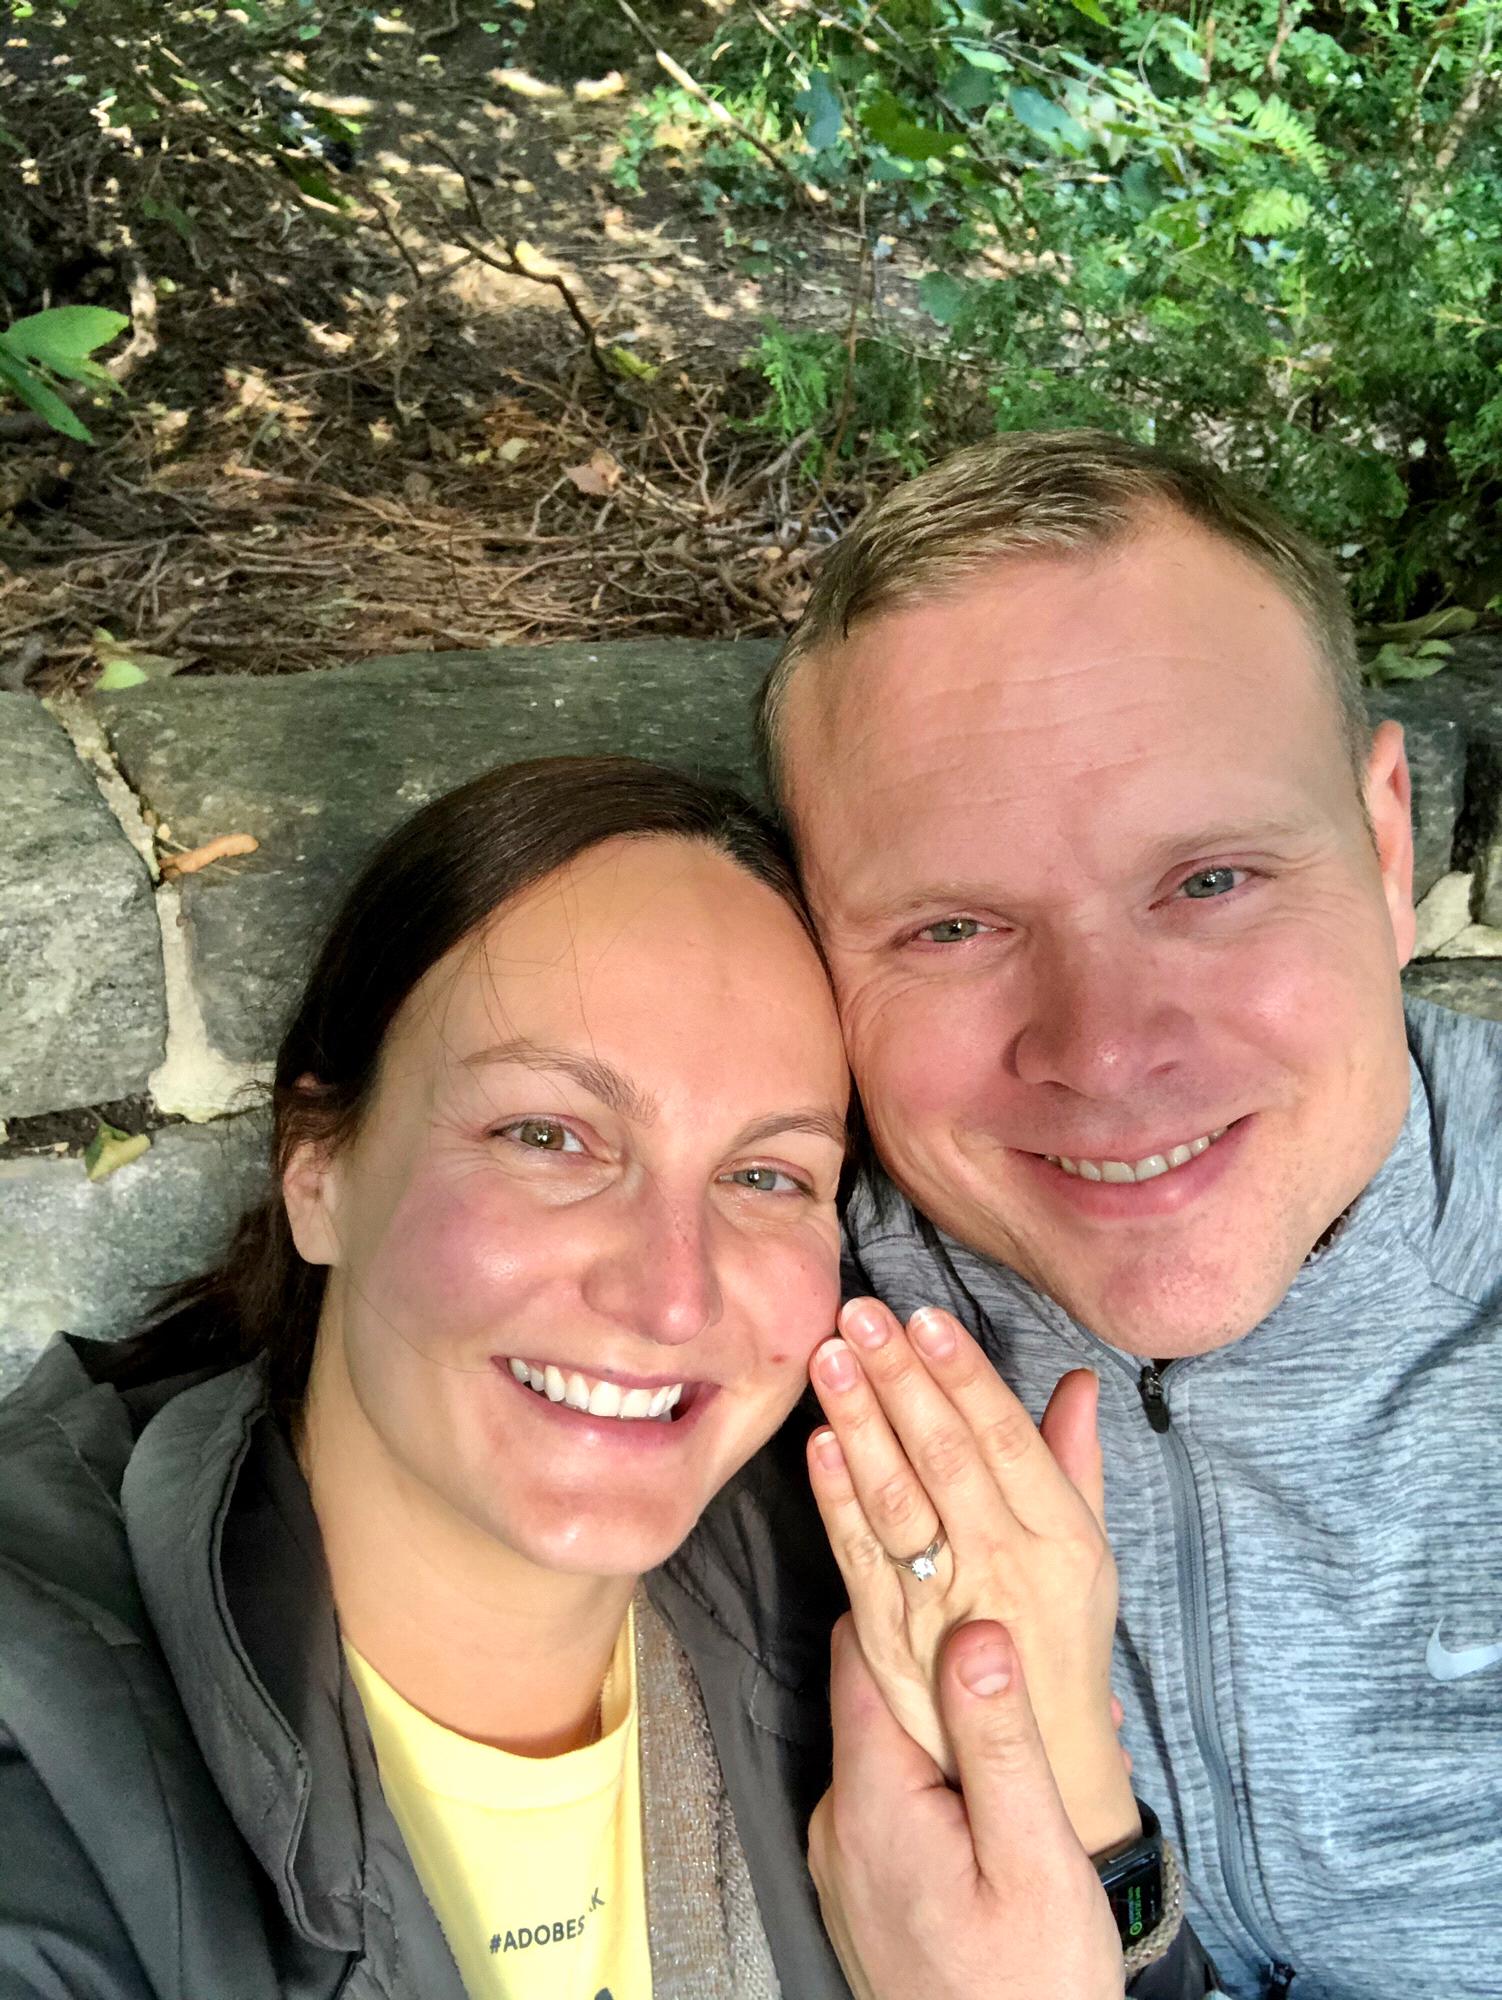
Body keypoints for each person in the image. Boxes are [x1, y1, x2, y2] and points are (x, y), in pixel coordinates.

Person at [0, 753, 1201, 2000]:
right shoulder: (50, 1757)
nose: (671, 1292)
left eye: (766, 1174)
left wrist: (1063, 1794)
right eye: (549, 1135)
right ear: (317, 1168)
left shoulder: (870, 1598)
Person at [757, 429, 1502, 2000]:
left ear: (1384, 847)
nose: (1100, 1050)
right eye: (953, 925)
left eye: (1209, 882)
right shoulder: (744, 1297)